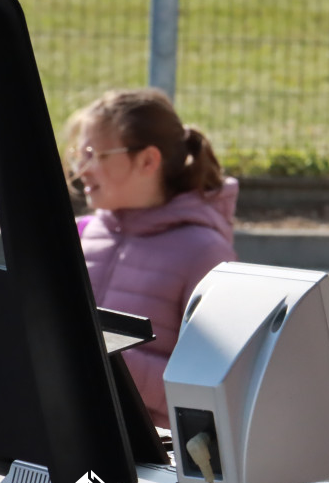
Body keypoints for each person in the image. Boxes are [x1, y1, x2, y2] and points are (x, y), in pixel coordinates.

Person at [65, 88, 238, 429]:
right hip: (68, 436)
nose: (81, 171)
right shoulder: (78, 233)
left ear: (147, 161)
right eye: (78, 155)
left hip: (148, 462)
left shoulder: (204, 252)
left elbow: (216, 387)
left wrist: (105, 362)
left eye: (94, 155)